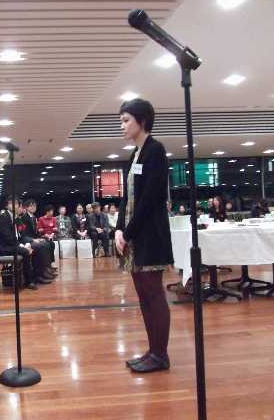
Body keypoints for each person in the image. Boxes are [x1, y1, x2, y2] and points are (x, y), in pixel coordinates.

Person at [115, 98, 174, 373]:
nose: (122, 126)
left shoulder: (155, 150)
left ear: (142, 121)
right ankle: (152, 351)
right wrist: (119, 229)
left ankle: (161, 355)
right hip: (135, 237)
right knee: (143, 295)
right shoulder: (134, 155)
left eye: (126, 120)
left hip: (150, 236)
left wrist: (127, 233)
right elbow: (126, 198)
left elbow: (150, 199)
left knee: (153, 294)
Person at [0, 198, 46, 290]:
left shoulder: (16, 217)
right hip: (4, 247)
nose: (13, 205)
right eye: (10, 203)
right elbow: (7, 238)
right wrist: (22, 246)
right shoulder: (3, 217)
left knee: (36, 247)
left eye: (15, 203)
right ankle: (28, 281)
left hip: (12, 245)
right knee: (25, 252)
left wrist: (27, 244)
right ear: (7, 205)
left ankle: (37, 276)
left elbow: (21, 235)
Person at [20, 199, 57, 279]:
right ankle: (40, 272)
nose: (33, 207)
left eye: (35, 206)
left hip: (34, 238)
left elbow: (36, 232)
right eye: (31, 206)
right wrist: (34, 239)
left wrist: (41, 237)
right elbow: (24, 234)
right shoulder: (24, 218)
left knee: (50, 243)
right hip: (28, 240)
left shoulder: (33, 217)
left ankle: (47, 266)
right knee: (42, 245)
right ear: (26, 207)